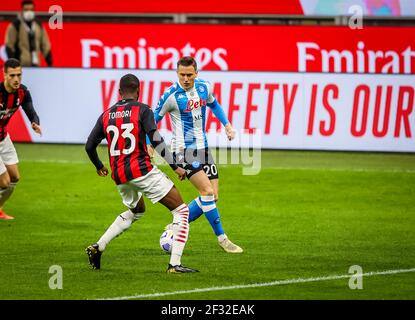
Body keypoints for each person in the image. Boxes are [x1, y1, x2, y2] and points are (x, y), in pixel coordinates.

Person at [85, 73, 198, 273]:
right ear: (138, 90)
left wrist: (99, 165)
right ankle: (174, 264)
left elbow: (89, 145)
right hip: (142, 170)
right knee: (181, 210)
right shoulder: (143, 110)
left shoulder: (106, 115)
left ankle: (98, 247)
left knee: (137, 211)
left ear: (119, 92)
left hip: (120, 176)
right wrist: (176, 167)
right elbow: (156, 140)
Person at [147, 56, 243, 253]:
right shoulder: (170, 95)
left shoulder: (204, 88)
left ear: (196, 73)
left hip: (203, 148)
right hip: (183, 151)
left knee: (213, 196)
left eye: (189, 75)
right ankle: (223, 239)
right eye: (182, 74)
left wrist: (227, 125)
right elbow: (152, 121)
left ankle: (177, 223)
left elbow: (214, 105)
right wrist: (149, 145)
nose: (186, 79)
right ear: (177, 74)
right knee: (207, 192)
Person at [0, 58, 42, 220]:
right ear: (4, 75)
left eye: (19, 75)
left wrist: (35, 122)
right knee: (4, 182)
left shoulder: (22, 92)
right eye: (12, 75)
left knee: (14, 178)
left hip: (4, 138)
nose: (16, 79)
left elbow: (31, 110)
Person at [5, 0, 52, 67]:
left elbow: (45, 46)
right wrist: (13, 66)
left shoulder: (38, 25)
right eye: (26, 10)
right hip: (20, 66)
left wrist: (50, 63)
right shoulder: (15, 25)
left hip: (36, 65)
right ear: (22, 10)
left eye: (31, 9)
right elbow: (9, 46)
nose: (29, 12)